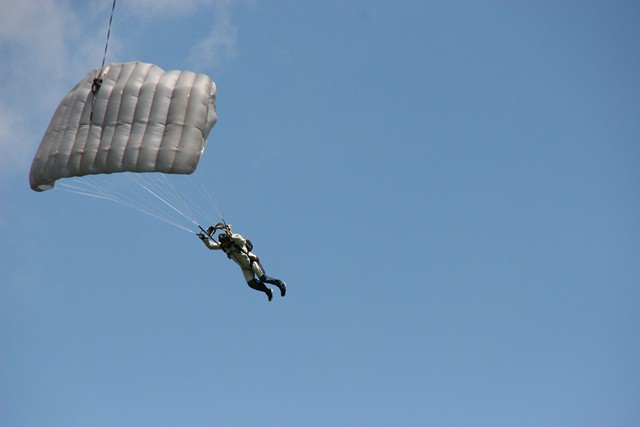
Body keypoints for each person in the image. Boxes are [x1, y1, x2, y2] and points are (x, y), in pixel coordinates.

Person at [197, 223, 286, 301]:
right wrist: (203, 238)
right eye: (222, 243)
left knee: (263, 279)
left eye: (225, 242)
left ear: (228, 240)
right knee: (251, 284)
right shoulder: (224, 247)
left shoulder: (236, 243)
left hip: (252, 261)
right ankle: (268, 291)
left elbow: (241, 239)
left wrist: (230, 234)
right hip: (244, 268)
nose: (224, 244)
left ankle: (280, 284)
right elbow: (211, 246)